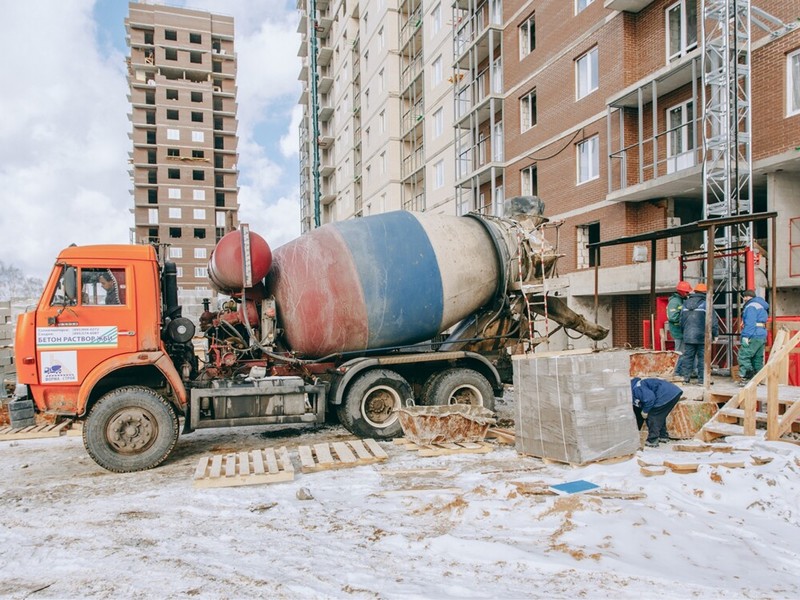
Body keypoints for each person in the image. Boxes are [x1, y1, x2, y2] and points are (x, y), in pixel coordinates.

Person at [679, 282, 717, 384]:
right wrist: (715, 334)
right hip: (702, 336)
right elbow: (712, 321)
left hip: (688, 336)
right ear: (705, 293)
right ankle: (702, 380)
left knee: (688, 357)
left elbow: (681, 321)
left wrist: (684, 333)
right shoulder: (706, 304)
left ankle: (685, 378)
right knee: (702, 359)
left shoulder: (685, 304)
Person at [631, 377, 683, 447]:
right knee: (660, 414)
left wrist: (645, 411)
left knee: (653, 415)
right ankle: (663, 436)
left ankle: (652, 440)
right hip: (672, 393)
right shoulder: (637, 387)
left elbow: (650, 399)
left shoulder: (636, 389)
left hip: (666, 394)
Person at [738, 289, 769, 385]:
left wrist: (746, 336)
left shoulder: (751, 306)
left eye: (745, 296)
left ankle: (747, 379)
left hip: (754, 334)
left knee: (744, 356)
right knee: (757, 358)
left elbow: (750, 323)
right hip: (761, 334)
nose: (744, 298)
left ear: (748, 297)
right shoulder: (761, 305)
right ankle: (758, 379)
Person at [667, 281, 693, 376]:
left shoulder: (681, 300)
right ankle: (676, 372)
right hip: (678, 331)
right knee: (679, 353)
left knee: (683, 352)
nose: (688, 293)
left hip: (682, 331)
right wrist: (686, 320)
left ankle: (681, 371)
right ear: (681, 291)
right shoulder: (674, 302)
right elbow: (673, 317)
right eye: (686, 292)